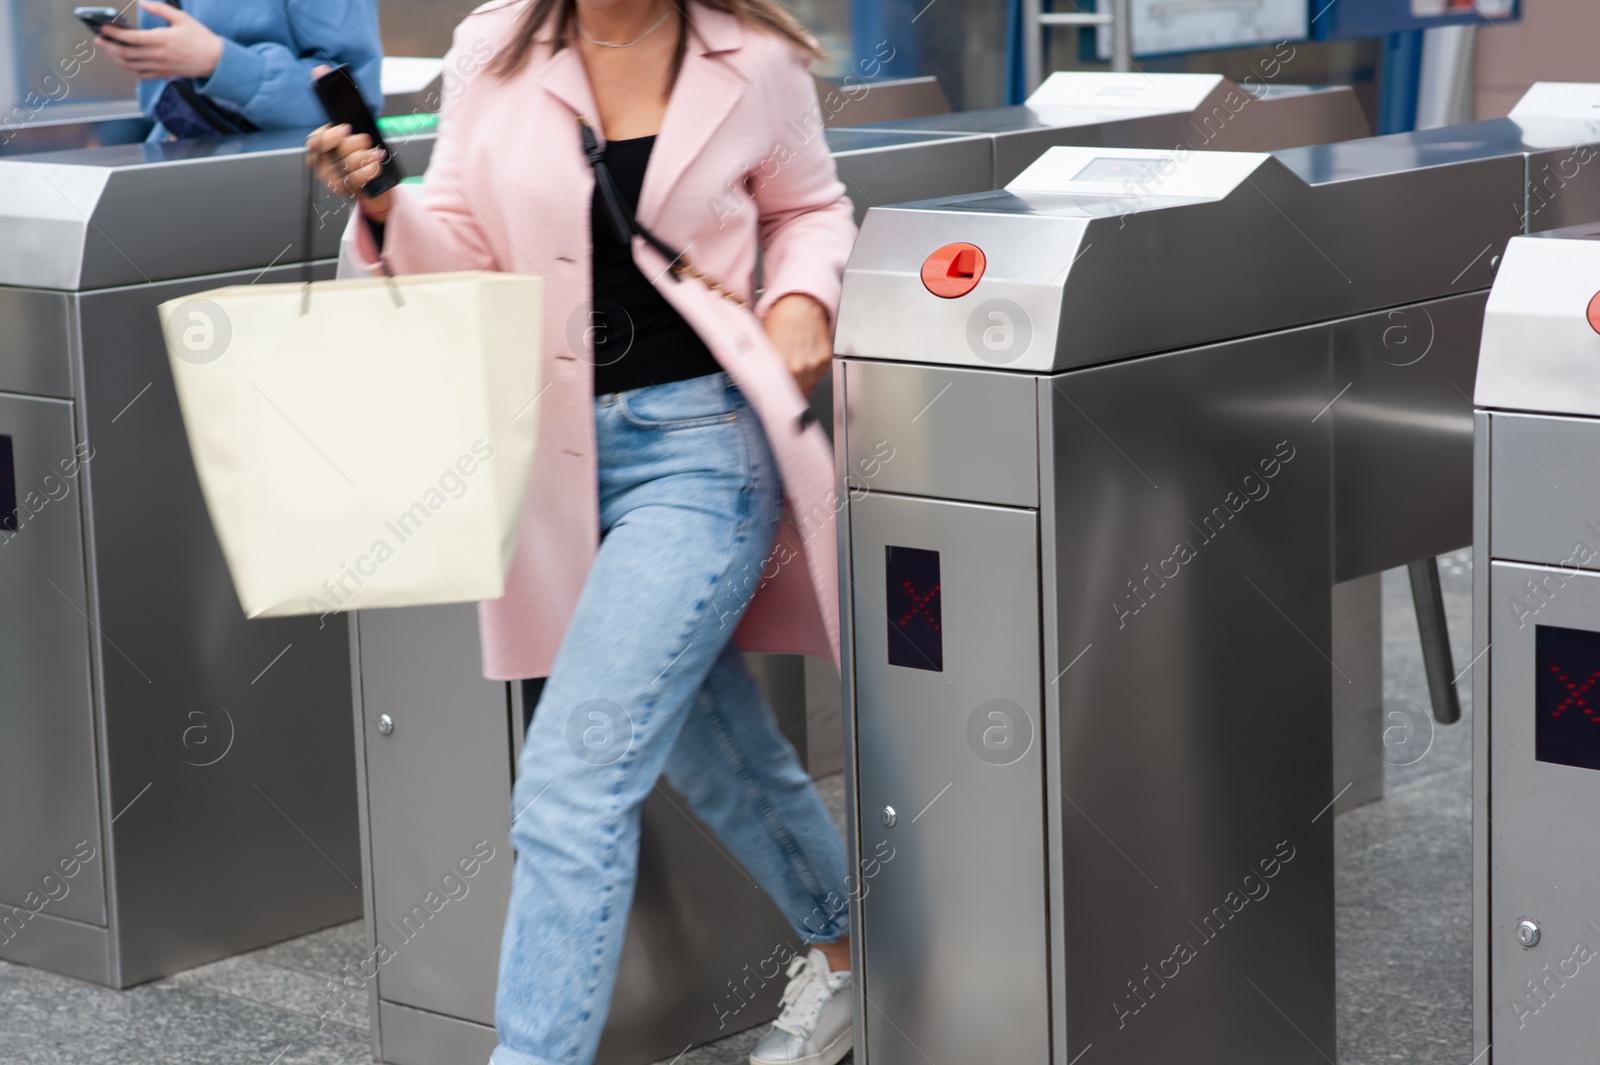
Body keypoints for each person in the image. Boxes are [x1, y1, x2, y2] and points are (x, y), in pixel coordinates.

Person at [307, 2, 858, 1064]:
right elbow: (459, 248)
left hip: (699, 449)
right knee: (719, 756)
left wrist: (799, 298)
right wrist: (382, 199)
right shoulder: (496, 46)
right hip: (551, 458)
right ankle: (854, 959)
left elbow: (812, 207)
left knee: (570, 786)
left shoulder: (758, 57)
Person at [97, 0, 382, 139]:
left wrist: (220, 63)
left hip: (281, 190)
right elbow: (159, 97)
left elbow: (355, 98)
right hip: (180, 177)